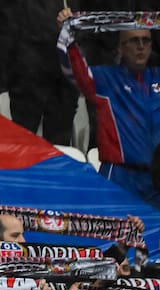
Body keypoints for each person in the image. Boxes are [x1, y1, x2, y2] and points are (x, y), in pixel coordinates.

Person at [60, 8, 160, 206]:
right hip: (119, 176)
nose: (141, 47)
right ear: (121, 48)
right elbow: (75, 71)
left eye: (145, 41)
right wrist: (67, 33)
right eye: (134, 41)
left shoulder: (157, 77)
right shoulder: (105, 78)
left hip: (155, 179)